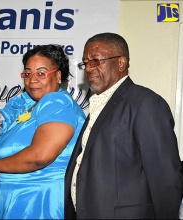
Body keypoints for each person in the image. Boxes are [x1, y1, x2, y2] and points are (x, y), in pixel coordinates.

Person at [64, 32, 183, 219]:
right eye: (85, 63)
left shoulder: (145, 103)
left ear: (121, 63)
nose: (88, 68)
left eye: (95, 60)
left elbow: (165, 179)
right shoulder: (98, 105)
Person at [0, 44, 86, 219]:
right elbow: (9, 160)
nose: (32, 79)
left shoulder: (57, 104)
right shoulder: (25, 106)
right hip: (11, 201)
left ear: (58, 75)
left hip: (39, 203)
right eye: (28, 73)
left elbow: (39, 156)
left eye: (41, 73)